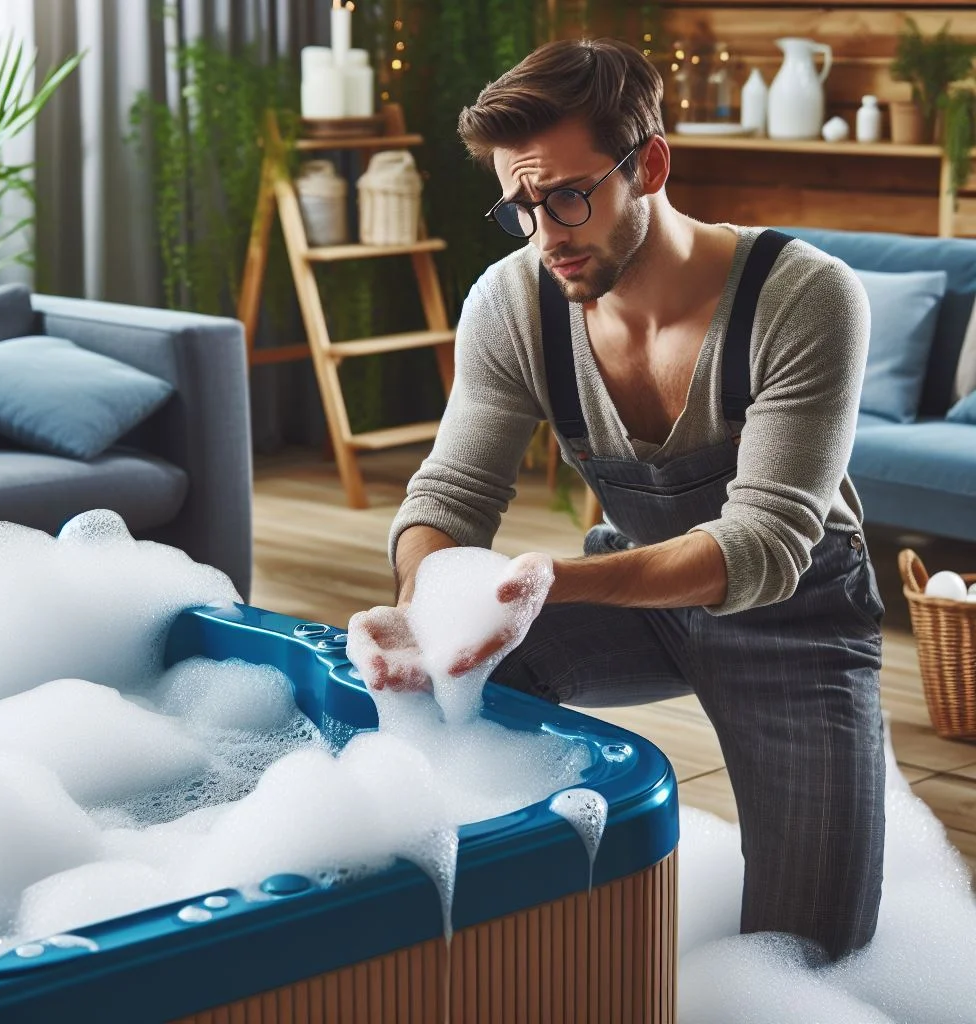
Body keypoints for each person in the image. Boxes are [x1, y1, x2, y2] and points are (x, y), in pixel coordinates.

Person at [347, 37, 885, 960]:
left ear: (652, 165)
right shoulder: (512, 301)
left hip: (797, 618)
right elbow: (450, 490)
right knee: (445, 677)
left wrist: (533, 585)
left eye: (566, 194)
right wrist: (429, 604)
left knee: (807, 958)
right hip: (642, 602)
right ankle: (524, 937)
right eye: (520, 204)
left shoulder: (805, 298)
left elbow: (761, 546)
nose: (544, 232)